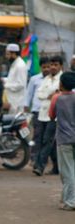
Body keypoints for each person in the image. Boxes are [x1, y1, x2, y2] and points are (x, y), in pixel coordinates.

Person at [33, 55, 63, 176]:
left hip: (55, 115)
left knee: (47, 140)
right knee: (46, 141)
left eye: (56, 65)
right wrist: (51, 93)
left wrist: (51, 94)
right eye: (51, 65)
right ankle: (56, 167)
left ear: (61, 66)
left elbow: (58, 94)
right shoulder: (47, 78)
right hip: (42, 114)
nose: (52, 67)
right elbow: (39, 94)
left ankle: (40, 166)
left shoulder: (62, 78)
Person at [49, 71, 75, 210]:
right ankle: (66, 198)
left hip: (64, 138)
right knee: (72, 169)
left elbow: (51, 115)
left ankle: (70, 201)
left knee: (67, 171)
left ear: (61, 84)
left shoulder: (56, 98)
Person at [24, 57, 50, 162]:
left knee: (47, 136)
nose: (46, 69)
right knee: (37, 135)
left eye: (48, 67)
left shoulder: (53, 80)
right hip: (37, 110)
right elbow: (29, 93)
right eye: (44, 67)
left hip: (49, 111)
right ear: (41, 67)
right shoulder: (35, 79)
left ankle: (44, 158)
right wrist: (26, 106)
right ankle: (34, 157)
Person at [4, 43, 28, 114]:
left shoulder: (20, 65)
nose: (6, 56)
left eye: (8, 54)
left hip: (17, 102)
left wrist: (6, 85)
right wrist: (4, 80)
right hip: (11, 100)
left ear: (14, 54)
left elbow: (20, 84)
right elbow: (13, 79)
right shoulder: (14, 64)